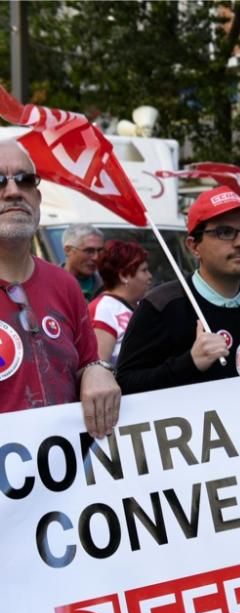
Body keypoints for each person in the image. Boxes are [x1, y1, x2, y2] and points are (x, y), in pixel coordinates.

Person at [0, 139, 119, 438]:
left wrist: (97, 370)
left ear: (38, 198)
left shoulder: (65, 285)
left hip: (66, 477)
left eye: (25, 180)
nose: (13, 192)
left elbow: (86, 362)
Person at [116, 185, 240, 393]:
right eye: (225, 232)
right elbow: (125, 384)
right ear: (194, 246)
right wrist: (189, 362)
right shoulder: (161, 306)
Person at [88, 240, 152, 366]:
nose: (149, 276)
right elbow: (99, 367)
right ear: (123, 275)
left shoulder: (139, 305)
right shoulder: (104, 309)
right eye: (144, 270)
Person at [62, 223, 105, 301]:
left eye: (100, 251)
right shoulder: (49, 284)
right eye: (89, 251)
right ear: (68, 250)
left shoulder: (109, 286)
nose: (96, 257)